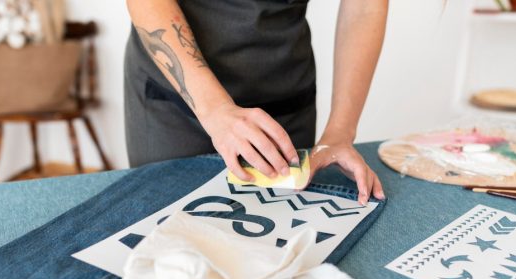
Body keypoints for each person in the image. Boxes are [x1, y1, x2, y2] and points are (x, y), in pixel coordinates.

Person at [124, 0, 387, 204]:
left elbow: (364, 7)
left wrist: (339, 133)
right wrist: (214, 109)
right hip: (177, 105)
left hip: (286, 103)